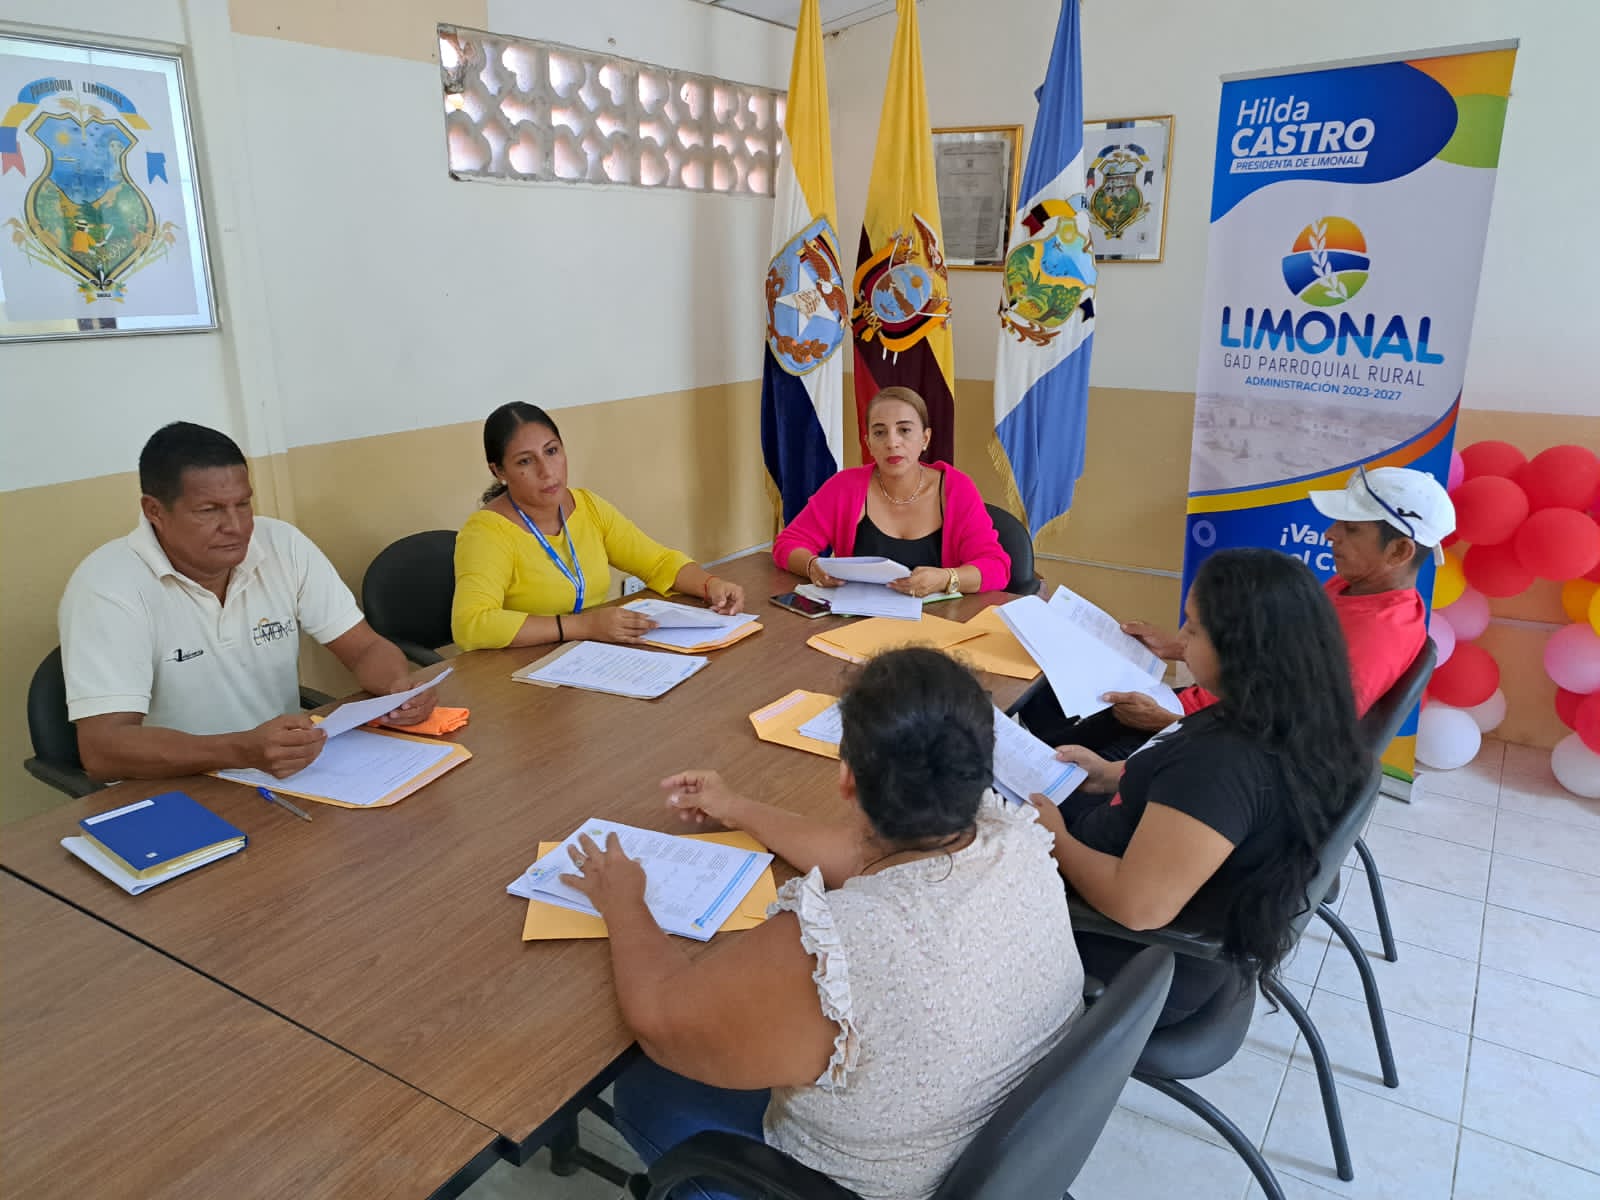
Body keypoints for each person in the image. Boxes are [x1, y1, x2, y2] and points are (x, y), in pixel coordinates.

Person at [559, 649, 1082, 1200]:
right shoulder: (1015, 838)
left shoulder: (841, 945)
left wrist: (623, 902)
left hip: (872, 1185)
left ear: (847, 779)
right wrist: (735, 807)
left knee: (646, 1089)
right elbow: (861, 857)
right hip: (992, 1147)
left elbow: (660, 1021)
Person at [1030, 549, 1371, 1027]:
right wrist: (1109, 774)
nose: (1181, 640)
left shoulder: (1223, 764)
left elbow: (1138, 907)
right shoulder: (1293, 712)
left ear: (1240, 646)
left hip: (1130, 960)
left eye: (1192, 628)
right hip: (1144, 880)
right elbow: (1191, 800)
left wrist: (1054, 839)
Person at [59, 422, 436, 782]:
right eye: (209, 510)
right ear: (154, 511)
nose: (237, 526)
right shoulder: (107, 586)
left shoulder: (282, 545)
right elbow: (103, 750)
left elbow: (365, 647)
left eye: (243, 504)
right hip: (170, 788)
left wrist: (398, 689)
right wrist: (239, 750)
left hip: (286, 772)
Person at [1021, 464, 1455, 757]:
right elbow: (1274, 654)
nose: (1330, 534)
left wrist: (1169, 723)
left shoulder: (1377, 637)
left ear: (1399, 551)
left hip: (1214, 740)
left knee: (1055, 751)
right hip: (1202, 711)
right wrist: (1177, 647)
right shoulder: (1352, 587)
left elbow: (1297, 737)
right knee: (1052, 703)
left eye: (1351, 529)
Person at [451, 402, 745, 651]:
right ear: (499, 471)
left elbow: (657, 561)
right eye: (525, 461)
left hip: (593, 656)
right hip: (523, 671)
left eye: (551, 451)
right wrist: (583, 626)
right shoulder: (486, 532)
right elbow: (471, 623)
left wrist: (711, 585)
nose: (547, 471)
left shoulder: (587, 507)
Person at [772, 387, 1010, 599]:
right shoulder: (844, 486)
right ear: (868, 443)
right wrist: (812, 566)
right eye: (879, 432)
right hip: (859, 621)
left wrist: (947, 578)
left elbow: (996, 568)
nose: (892, 442)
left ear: (925, 438)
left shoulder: (957, 488)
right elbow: (788, 543)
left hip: (939, 622)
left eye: (904, 430)